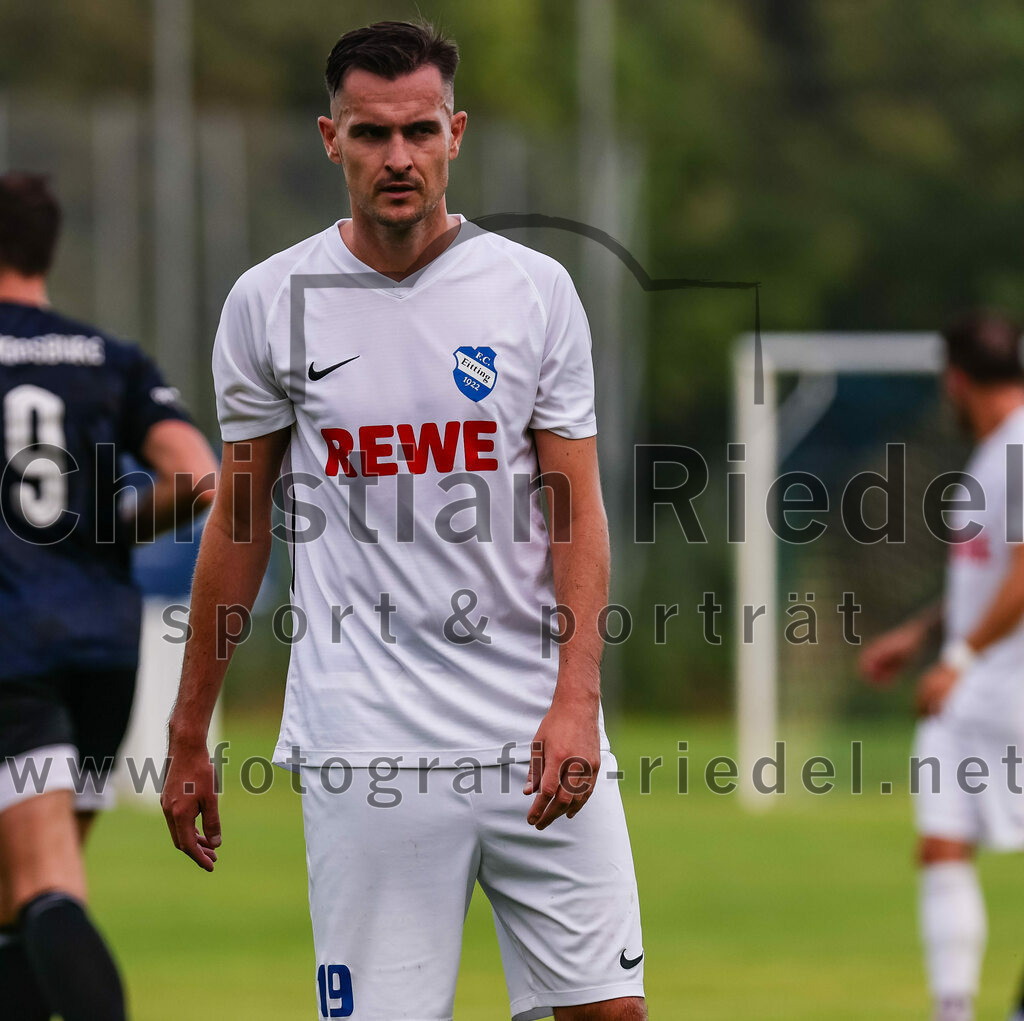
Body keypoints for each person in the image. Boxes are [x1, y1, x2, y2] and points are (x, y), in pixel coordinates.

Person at [161, 19, 647, 1021]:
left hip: (533, 731)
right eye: (371, 133)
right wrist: (187, 730)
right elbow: (240, 527)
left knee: (609, 1012)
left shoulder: (534, 291)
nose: (397, 157)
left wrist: (576, 702)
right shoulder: (268, 302)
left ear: (455, 134)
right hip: (366, 744)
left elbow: (575, 514)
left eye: (419, 131)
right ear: (329, 138)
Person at [0, 171, 218, 1020]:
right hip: (104, 645)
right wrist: (113, 525)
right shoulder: (106, 357)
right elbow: (200, 477)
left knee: (46, 882)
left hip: (12, 649)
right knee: (19, 901)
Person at [860, 311, 1024, 1021]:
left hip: (1004, 684)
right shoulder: (997, 450)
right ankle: (955, 1009)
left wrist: (955, 657)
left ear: (956, 379)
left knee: (944, 842)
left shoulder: (1018, 446)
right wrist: (923, 630)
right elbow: (990, 575)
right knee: (942, 841)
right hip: (981, 684)